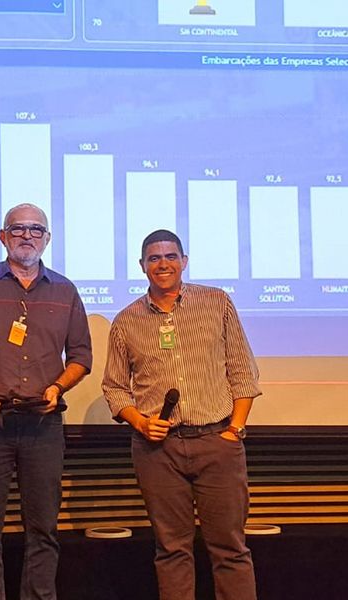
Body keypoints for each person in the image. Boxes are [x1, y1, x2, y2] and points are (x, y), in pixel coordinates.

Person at [0, 203, 92, 600]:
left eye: (36, 229)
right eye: (18, 228)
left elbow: (81, 357)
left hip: (43, 425)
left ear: (47, 239)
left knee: (43, 531)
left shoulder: (65, 291)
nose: (27, 235)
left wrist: (58, 388)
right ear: (2, 236)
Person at [102, 229, 261, 600]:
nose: (163, 264)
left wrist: (235, 430)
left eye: (171, 256)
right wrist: (140, 422)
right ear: (142, 266)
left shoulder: (216, 302)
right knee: (171, 549)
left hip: (217, 442)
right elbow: (114, 387)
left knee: (230, 549)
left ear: (184, 261)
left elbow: (242, 371)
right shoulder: (126, 321)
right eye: (154, 258)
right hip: (159, 452)